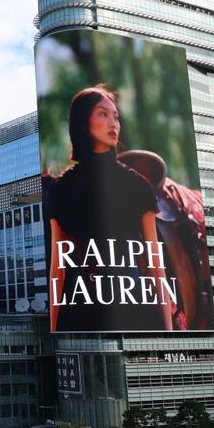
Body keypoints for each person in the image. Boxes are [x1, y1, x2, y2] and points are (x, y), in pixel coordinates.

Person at [45, 85, 174, 332]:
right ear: (83, 122)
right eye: (103, 114)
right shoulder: (62, 188)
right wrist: (53, 331)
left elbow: (156, 266)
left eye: (115, 116)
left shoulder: (138, 185)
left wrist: (168, 331)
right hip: (82, 313)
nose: (113, 123)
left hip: (135, 309)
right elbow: (57, 269)